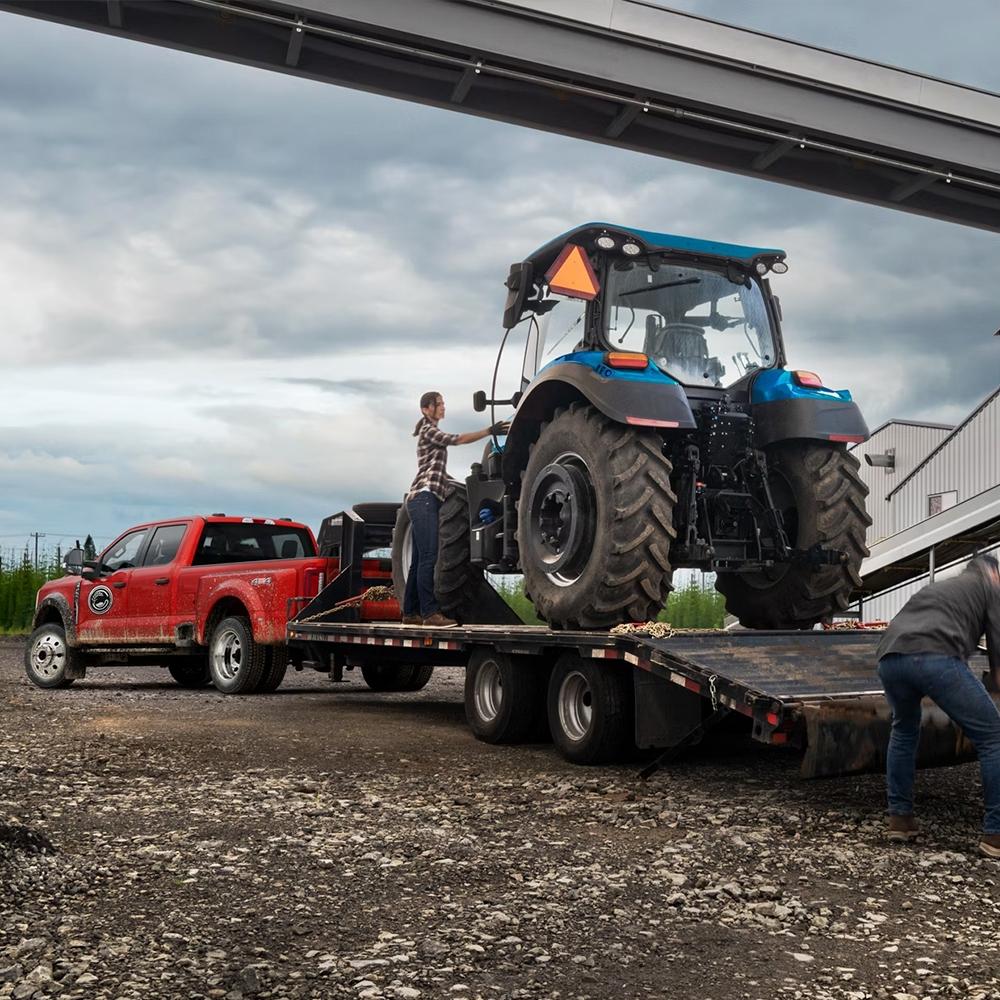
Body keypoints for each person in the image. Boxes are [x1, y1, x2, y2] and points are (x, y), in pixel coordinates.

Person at [875, 554, 1000, 856]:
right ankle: (995, 835)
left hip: (890, 658)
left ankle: (900, 820)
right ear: (993, 573)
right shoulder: (991, 587)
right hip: (934, 656)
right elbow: (999, 639)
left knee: (904, 730)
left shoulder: (940, 587)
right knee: (993, 736)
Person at [403, 391, 506, 628]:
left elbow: (435, 470)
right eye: (439, 404)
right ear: (426, 409)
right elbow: (457, 439)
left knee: (419, 558)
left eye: (443, 404)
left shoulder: (428, 433)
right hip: (424, 498)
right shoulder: (430, 430)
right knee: (429, 556)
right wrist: (489, 431)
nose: (443, 407)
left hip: (425, 498)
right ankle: (430, 613)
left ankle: (410, 613)